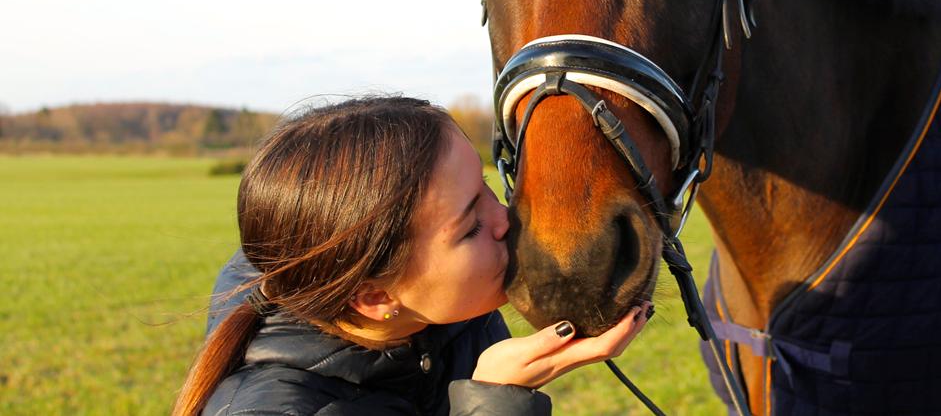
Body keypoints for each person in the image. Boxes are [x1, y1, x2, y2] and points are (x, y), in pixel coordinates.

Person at [174, 95, 650, 415]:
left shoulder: (450, 319)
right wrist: (493, 401)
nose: (506, 218)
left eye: (486, 187)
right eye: (471, 227)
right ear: (374, 297)